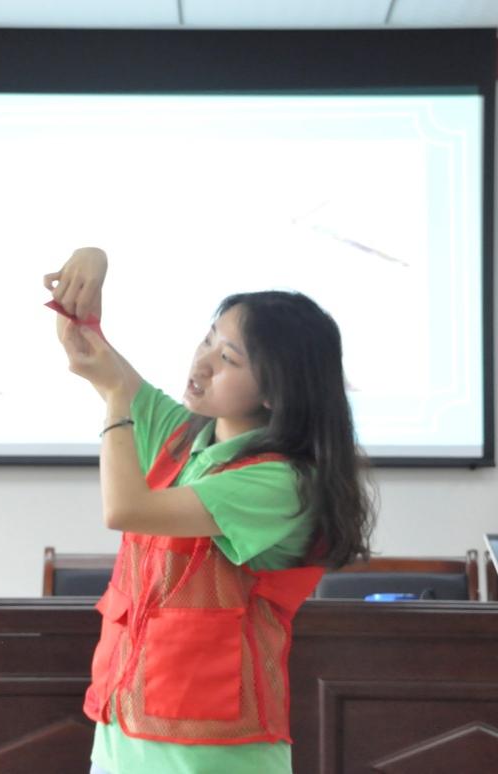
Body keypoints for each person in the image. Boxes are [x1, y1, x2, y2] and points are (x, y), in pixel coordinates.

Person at [45, 246, 375, 774]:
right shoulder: (184, 438)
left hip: (214, 754)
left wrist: (116, 403)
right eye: (207, 340)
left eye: (228, 359)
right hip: (122, 734)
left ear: (276, 392)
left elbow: (125, 508)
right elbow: (93, 354)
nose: (201, 364)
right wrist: (93, 263)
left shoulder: (282, 481)